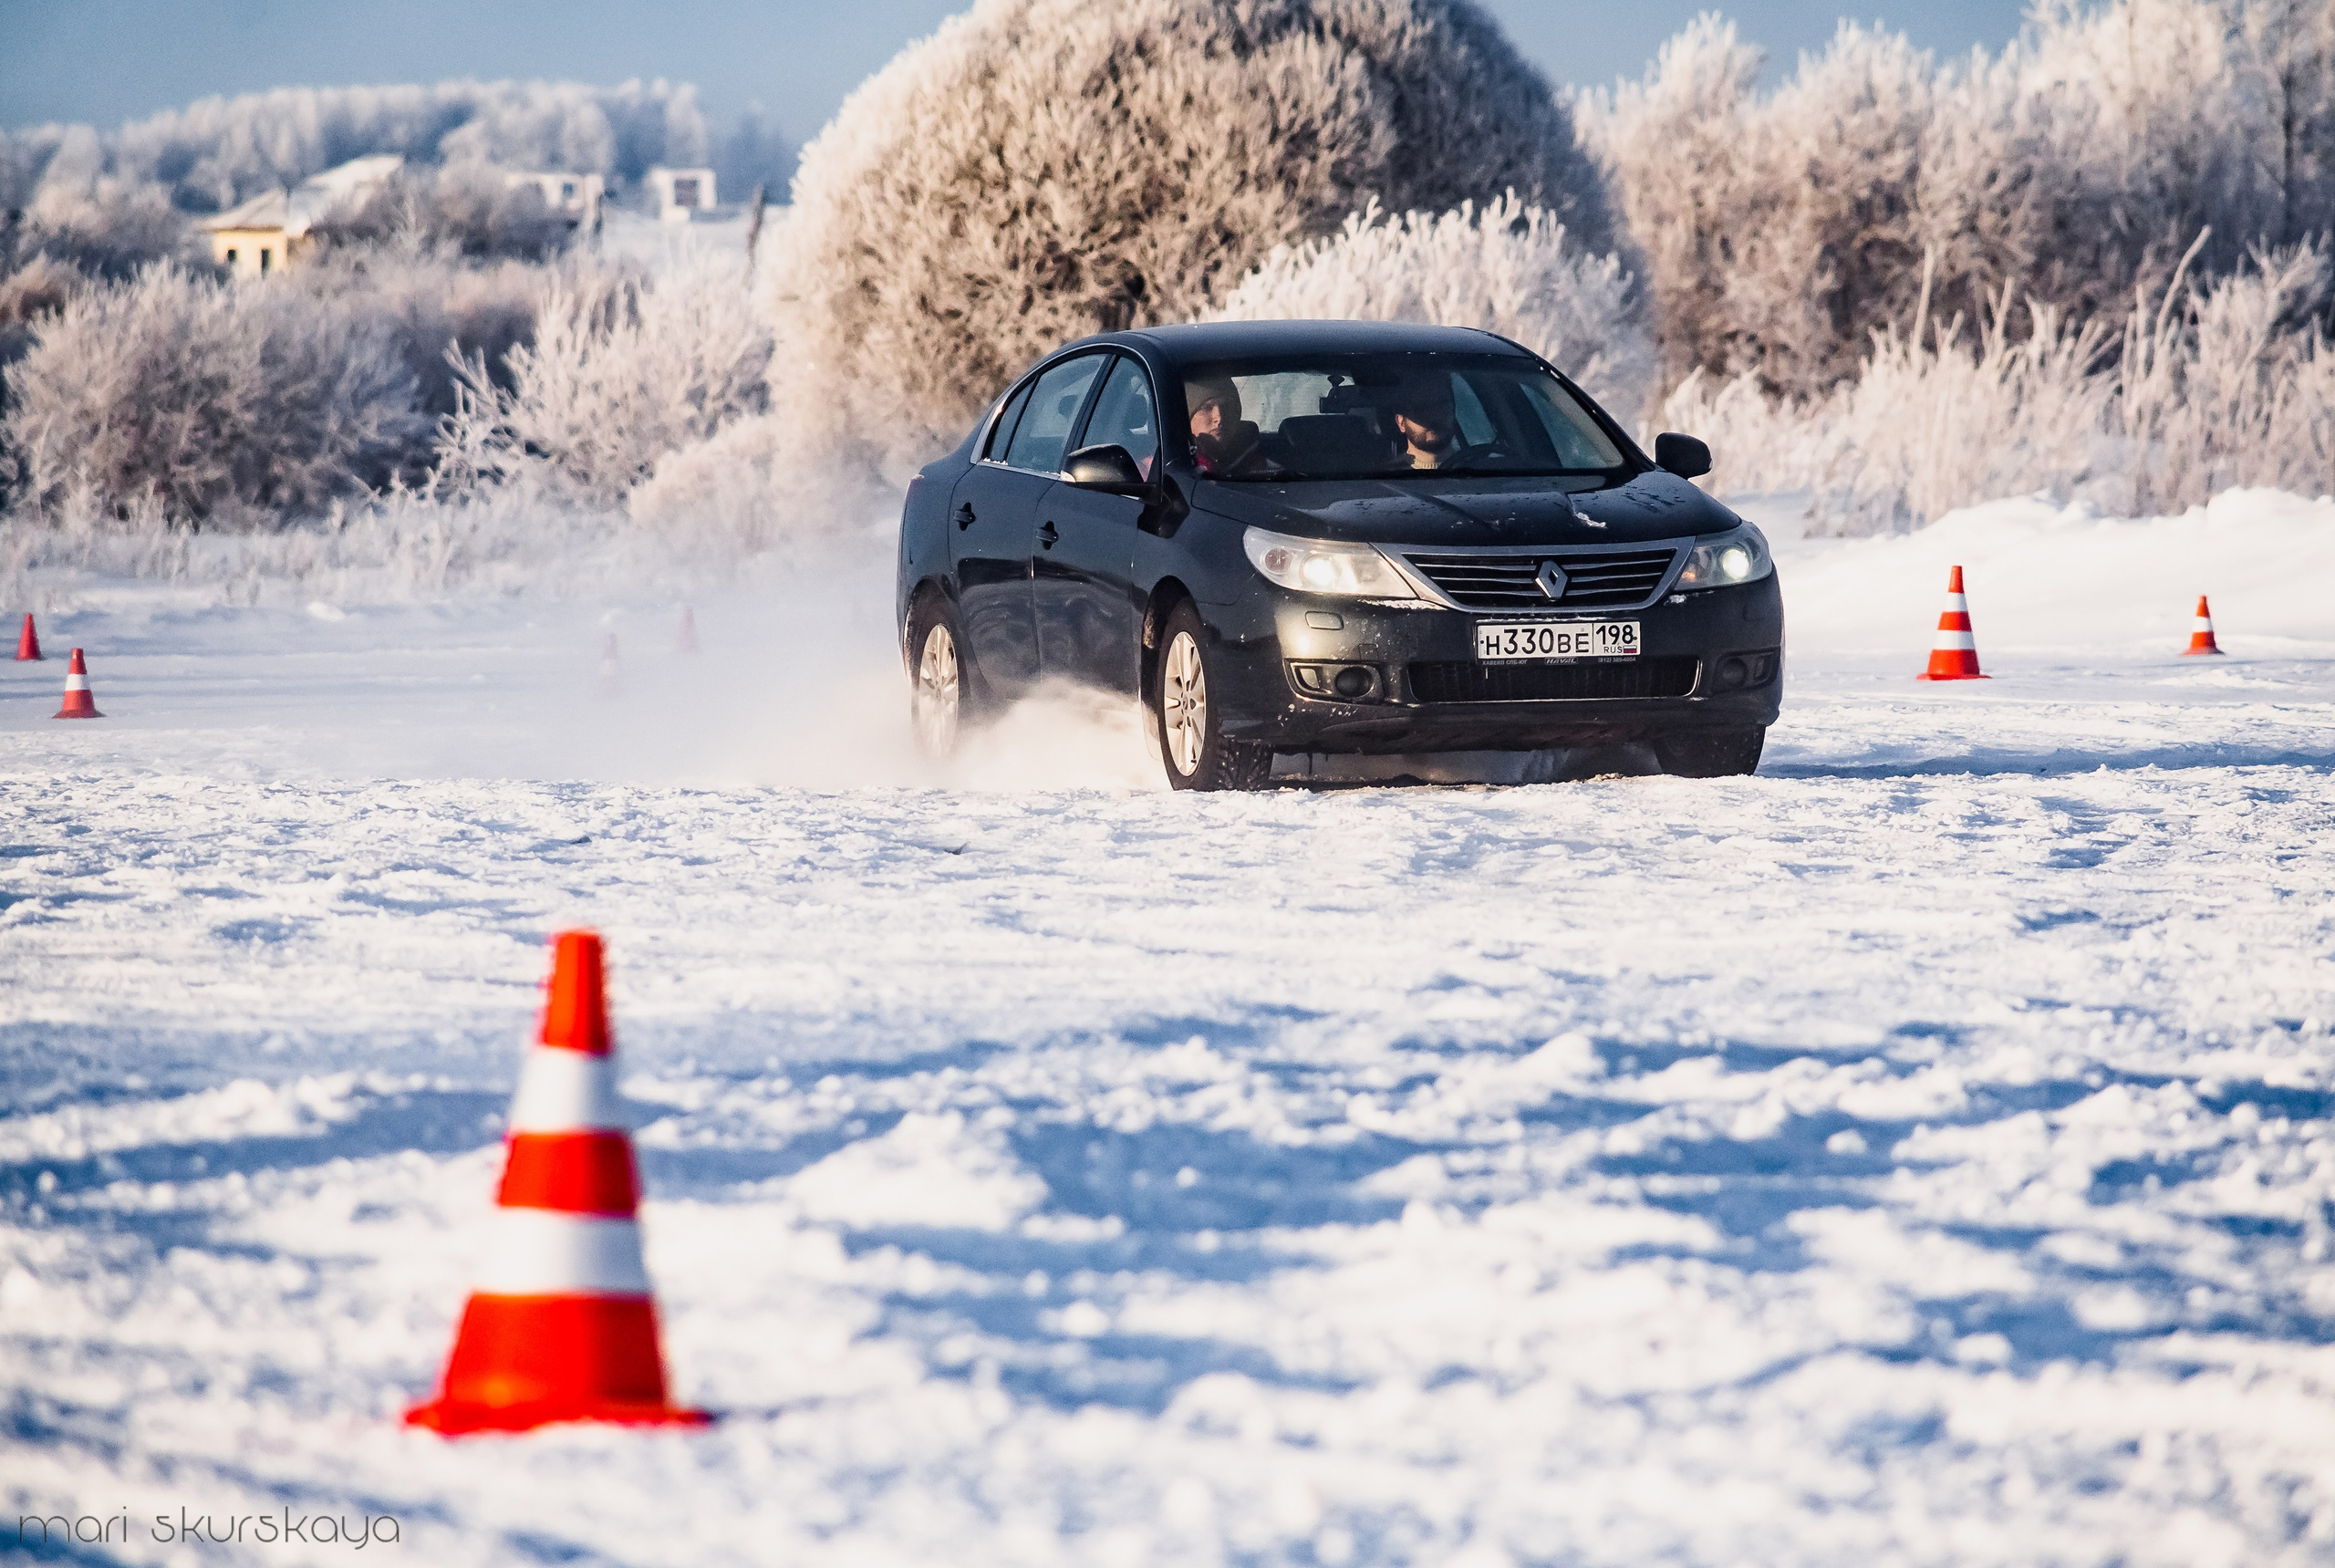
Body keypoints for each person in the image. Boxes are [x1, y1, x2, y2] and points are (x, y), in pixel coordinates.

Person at [1186, 376, 1272, 476]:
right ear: (1188, 416)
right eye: (1206, 408)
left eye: (1226, 406)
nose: (1219, 417)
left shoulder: (1269, 470)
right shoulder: (1176, 468)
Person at [1393, 374, 1462, 469]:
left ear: (1453, 411)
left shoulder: (1480, 468)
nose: (1435, 416)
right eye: (1422, 408)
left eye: (1442, 405)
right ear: (1401, 423)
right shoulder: (1383, 479)